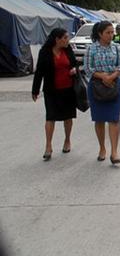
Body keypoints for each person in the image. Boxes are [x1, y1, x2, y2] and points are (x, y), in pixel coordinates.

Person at [32, 28, 78, 161]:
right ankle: (48, 146)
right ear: (57, 39)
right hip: (51, 90)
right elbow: (39, 72)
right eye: (64, 38)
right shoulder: (45, 52)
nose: (67, 40)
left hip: (68, 89)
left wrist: (73, 70)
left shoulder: (68, 50)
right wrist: (35, 90)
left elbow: (74, 64)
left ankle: (67, 140)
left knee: (68, 117)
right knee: (50, 117)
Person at [84, 21, 120, 165]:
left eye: (112, 32)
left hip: (115, 85)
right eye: (108, 32)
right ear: (100, 34)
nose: (111, 35)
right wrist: (103, 77)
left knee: (114, 119)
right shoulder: (91, 48)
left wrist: (112, 77)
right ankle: (102, 148)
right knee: (99, 119)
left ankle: (114, 152)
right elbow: (88, 68)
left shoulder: (117, 47)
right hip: (97, 86)